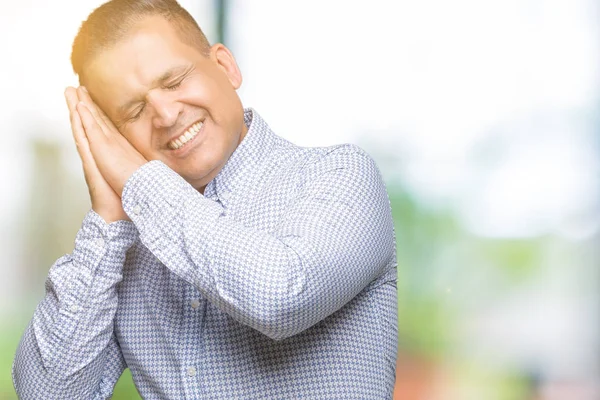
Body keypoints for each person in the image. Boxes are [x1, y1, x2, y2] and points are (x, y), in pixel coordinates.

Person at [12, 0, 398, 398]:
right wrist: (108, 220)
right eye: (134, 110)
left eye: (174, 81)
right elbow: (47, 393)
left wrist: (137, 182)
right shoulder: (125, 252)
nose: (164, 115)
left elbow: (281, 297)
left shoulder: (341, 175)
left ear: (226, 66)